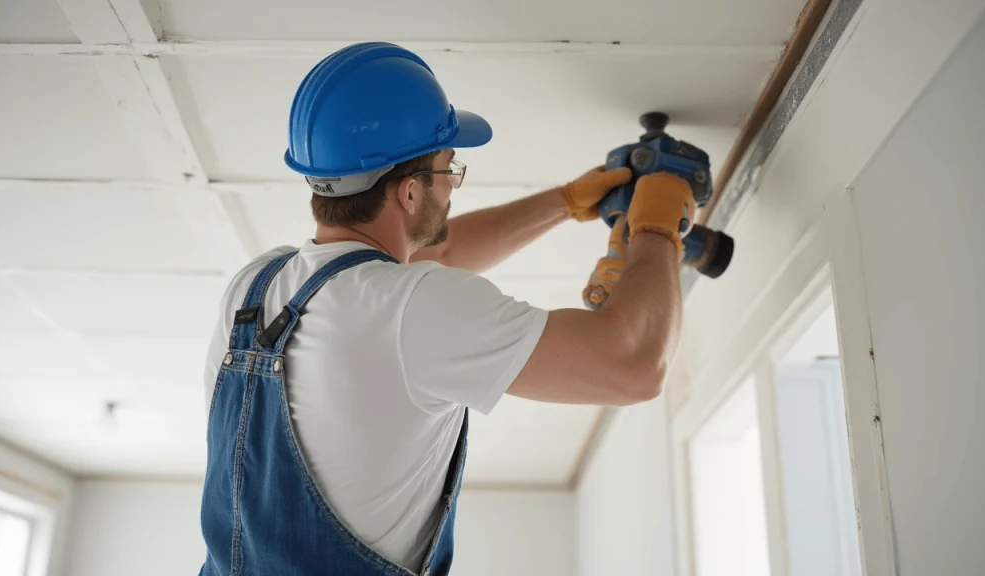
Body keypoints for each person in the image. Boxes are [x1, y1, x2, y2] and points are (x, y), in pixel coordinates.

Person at [199, 42, 696, 576]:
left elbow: (439, 253)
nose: (453, 184)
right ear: (410, 193)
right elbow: (635, 365)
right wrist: (657, 229)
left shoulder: (254, 284)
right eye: (449, 169)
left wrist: (568, 200)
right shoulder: (410, 308)